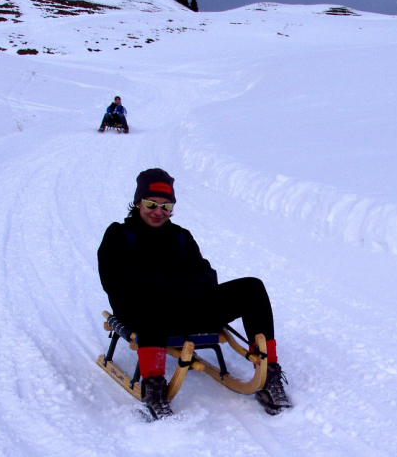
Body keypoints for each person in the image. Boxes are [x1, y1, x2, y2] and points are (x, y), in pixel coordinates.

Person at [97, 168, 291, 420]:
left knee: (252, 287)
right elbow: (115, 282)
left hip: (189, 308)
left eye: (166, 206)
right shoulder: (119, 235)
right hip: (146, 315)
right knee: (151, 300)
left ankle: (269, 373)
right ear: (137, 202)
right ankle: (154, 389)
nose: (158, 211)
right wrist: (165, 288)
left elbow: (206, 273)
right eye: (151, 204)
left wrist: (189, 290)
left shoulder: (180, 236)